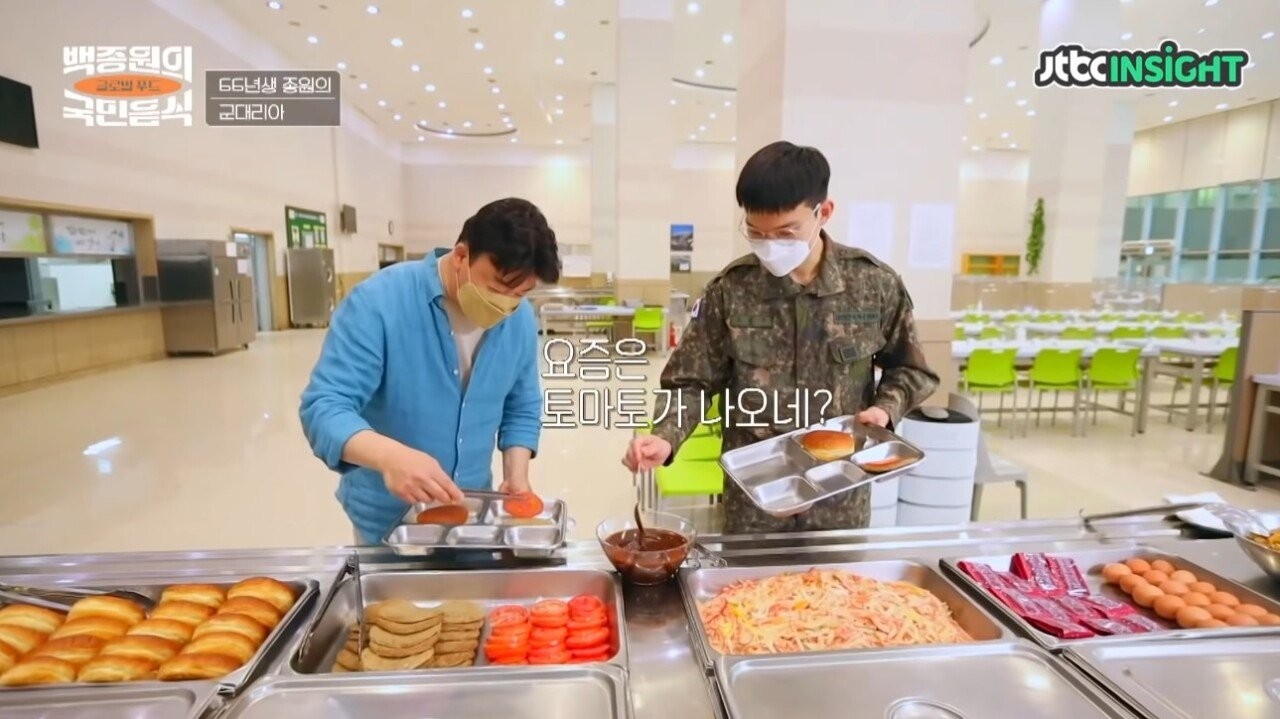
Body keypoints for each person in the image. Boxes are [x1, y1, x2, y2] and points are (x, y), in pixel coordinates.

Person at [622, 141, 938, 534]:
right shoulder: (731, 290)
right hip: (756, 496)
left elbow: (911, 369)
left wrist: (886, 408)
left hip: (839, 492)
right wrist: (666, 436)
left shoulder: (873, 285)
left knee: (836, 576)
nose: (770, 245)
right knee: (750, 575)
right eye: (756, 232)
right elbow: (690, 382)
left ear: (824, 212)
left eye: (786, 232)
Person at [300, 198, 561, 544]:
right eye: (497, 289)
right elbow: (324, 407)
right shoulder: (379, 302)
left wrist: (517, 475)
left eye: (520, 294)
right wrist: (390, 457)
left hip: (472, 516)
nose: (505, 305)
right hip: (387, 522)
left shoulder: (519, 319)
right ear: (461, 257)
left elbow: (521, 405)